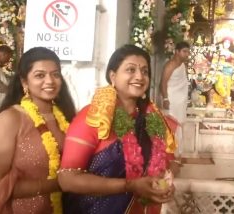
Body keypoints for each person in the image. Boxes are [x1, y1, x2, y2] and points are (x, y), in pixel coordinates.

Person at [58, 44, 176, 214]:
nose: (139, 76)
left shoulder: (152, 120)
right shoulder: (93, 117)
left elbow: (166, 163)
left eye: (144, 71)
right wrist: (130, 186)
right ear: (112, 76)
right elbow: (67, 179)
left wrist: (163, 186)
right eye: (130, 70)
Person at [0, 47, 76, 213]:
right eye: (40, 75)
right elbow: (0, 184)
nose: (50, 81)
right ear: (24, 82)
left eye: (55, 74)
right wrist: (57, 184)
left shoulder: (67, 117)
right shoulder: (11, 119)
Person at [160, 41, 190, 152]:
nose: (187, 54)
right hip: (172, 100)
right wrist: (165, 98)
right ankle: (169, 154)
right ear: (177, 52)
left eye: (188, 52)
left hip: (180, 101)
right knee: (172, 125)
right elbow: (163, 83)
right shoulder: (170, 65)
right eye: (184, 51)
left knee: (179, 126)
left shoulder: (182, 65)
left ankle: (178, 154)